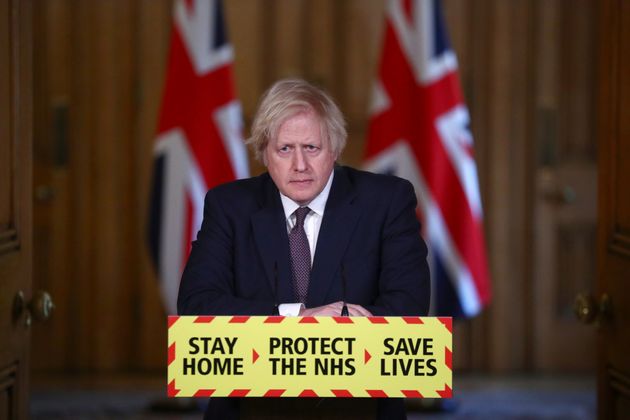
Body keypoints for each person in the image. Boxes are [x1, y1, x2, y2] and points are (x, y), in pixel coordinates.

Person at [178, 79, 431, 420]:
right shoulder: (229, 206)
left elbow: (409, 306)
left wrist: (331, 331)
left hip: (361, 407)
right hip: (249, 407)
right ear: (264, 153)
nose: (300, 165)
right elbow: (197, 306)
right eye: (285, 149)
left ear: (335, 148)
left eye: (312, 147)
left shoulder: (386, 201)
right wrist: (297, 317)